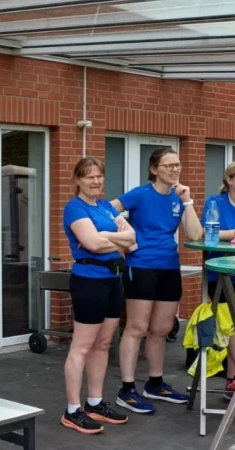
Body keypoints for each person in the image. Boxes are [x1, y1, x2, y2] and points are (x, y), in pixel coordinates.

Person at [111, 146, 203, 413]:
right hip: (141, 266)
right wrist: (125, 236)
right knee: (136, 328)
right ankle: (127, 390)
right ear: (154, 169)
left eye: (177, 165)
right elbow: (106, 211)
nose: (175, 169)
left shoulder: (178, 197)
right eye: (168, 165)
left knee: (161, 329)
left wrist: (188, 202)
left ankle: (155, 383)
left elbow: (195, 234)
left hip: (169, 267)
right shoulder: (140, 194)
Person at [61, 158, 135, 434]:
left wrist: (104, 235)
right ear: (78, 180)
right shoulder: (74, 207)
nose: (95, 181)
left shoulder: (105, 206)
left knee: (103, 344)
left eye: (99, 176)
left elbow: (133, 240)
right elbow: (91, 244)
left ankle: (94, 402)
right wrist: (112, 238)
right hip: (89, 281)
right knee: (81, 346)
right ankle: (72, 410)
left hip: (113, 279)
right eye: (89, 177)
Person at [202, 161, 235, 392]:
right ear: (229, 180)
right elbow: (208, 232)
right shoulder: (215, 202)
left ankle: (232, 379)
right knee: (229, 326)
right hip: (221, 274)